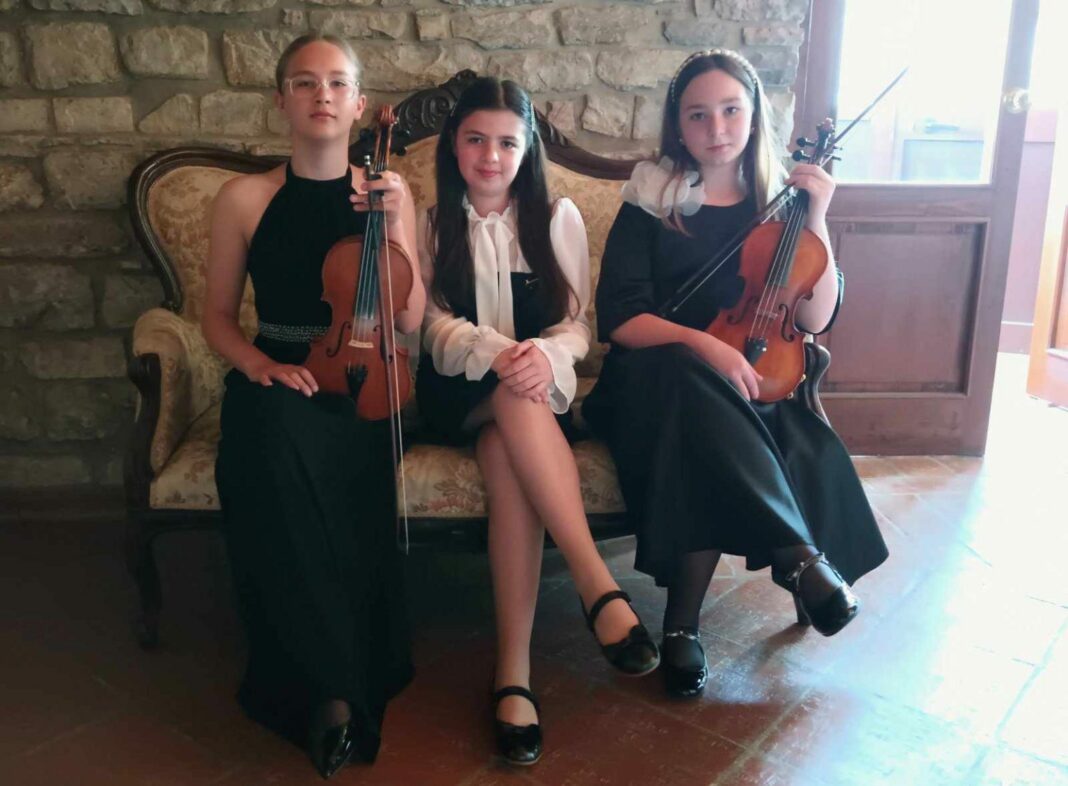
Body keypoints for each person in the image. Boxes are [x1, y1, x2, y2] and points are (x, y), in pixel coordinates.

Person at [582, 48, 889, 699]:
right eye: (698, 114)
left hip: (747, 392)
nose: (716, 127)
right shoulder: (652, 198)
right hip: (646, 384)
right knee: (688, 382)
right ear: (678, 124)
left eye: (730, 110)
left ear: (753, 116)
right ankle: (798, 556)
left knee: (707, 425)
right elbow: (621, 319)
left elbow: (816, 317)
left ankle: (681, 627)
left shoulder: (783, 206)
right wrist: (706, 347)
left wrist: (817, 218)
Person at [415, 76, 659, 765]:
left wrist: (542, 355)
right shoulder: (430, 224)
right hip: (454, 394)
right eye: (476, 140)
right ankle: (595, 583)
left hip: (530, 395)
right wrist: (497, 354)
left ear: (526, 152)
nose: (491, 156)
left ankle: (513, 675)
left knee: (508, 449)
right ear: (454, 146)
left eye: (506, 143)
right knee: (513, 398)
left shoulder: (557, 218)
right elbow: (427, 324)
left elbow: (576, 325)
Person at [202, 33, 425, 778]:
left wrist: (396, 222)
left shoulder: (389, 194)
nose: (321, 95)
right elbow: (216, 318)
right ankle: (326, 692)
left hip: (362, 382)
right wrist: (261, 365)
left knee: (336, 462)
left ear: (359, 105)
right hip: (273, 378)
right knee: (270, 443)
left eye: (336, 83)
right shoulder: (244, 198)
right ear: (281, 101)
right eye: (304, 82)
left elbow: (411, 317)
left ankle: (337, 684)